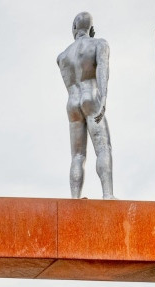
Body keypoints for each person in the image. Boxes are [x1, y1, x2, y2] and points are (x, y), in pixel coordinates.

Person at [57, 11, 115, 199]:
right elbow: (102, 72)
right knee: (103, 148)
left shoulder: (62, 57)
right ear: (91, 28)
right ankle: (107, 195)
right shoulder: (99, 44)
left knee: (77, 156)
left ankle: (75, 198)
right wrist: (103, 99)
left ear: (74, 28)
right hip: (91, 98)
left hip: (72, 103)